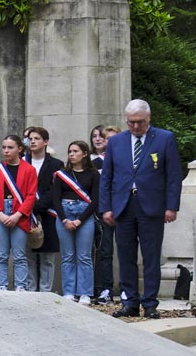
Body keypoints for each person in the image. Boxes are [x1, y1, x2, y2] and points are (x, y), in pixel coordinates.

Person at [101, 98, 184, 318]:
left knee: (151, 256)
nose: (135, 127)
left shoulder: (165, 138)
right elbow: (107, 177)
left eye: (139, 122)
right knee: (126, 256)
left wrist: (171, 206)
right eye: (131, 122)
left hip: (152, 206)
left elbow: (173, 176)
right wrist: (106, 207)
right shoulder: (116, 142)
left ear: (148, 118)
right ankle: (130, 301)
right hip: (123, 205)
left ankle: (149, 303)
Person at [0, 134, 38, 291]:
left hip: (19, 214)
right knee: (1, 254)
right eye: (4, 147)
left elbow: (30, 195)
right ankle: (1, 285)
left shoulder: (29, 170)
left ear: (19, 149)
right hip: (0, 213)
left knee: (20, 254)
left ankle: (20, 286)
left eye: (10, 147)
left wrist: (18, 215)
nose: (6, 151)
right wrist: (0, 214)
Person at [50, 138, 100, 304]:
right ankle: (69, 291)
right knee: (68, 256)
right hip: (64, 215)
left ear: (85, 154)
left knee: (84, 256)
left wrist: (80, 220)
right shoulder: (62, 174)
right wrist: (64, 219)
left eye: (75, 151)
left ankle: (85, 292)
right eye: (70, 152)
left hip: (84, 216)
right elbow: (55, 199)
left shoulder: (93, 174)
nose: (72, 154)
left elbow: (95, 200)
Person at [23, 125, 63, 294]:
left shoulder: (56, 164)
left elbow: (55, 190)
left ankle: (46, 290)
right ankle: (31, 288)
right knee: (29, 254)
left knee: (47, 255)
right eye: (30, 139)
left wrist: (38, 206)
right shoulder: (22, 162)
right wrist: (28, 207)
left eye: (37, 138)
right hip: (25, 213)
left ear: (45, 142)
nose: (33, 141)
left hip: (47, 213)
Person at [89, 124, 118, 303]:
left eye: (103, 136)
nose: (98, 139)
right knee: (101, 250)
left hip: (121, 208)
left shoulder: (119, 158)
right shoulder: (89, 161)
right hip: (98, 210)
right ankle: (100, 288)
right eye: (95, 136)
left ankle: (118, 289)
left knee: (120, 251)